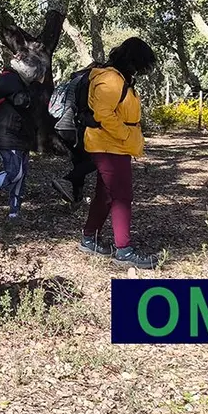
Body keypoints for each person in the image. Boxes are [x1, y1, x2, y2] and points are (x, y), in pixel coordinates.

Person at [78, 37, 158, 270]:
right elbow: (103, 114)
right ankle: (124, 251)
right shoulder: (111, 79)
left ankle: (89, 238)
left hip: (114, 145)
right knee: (122, 196)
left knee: (105, 195)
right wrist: (124, 135)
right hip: (109, 145)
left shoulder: (121, 79)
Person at [0, 55, 42, 219]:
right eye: (35, 71)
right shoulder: (10, 79)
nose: (36, 75)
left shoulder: (17, 81)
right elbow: (22, 101)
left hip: (20, 135)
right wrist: (35, 92)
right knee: (14, 172)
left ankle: (14, 211)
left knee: (21, 173)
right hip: (7, 133)